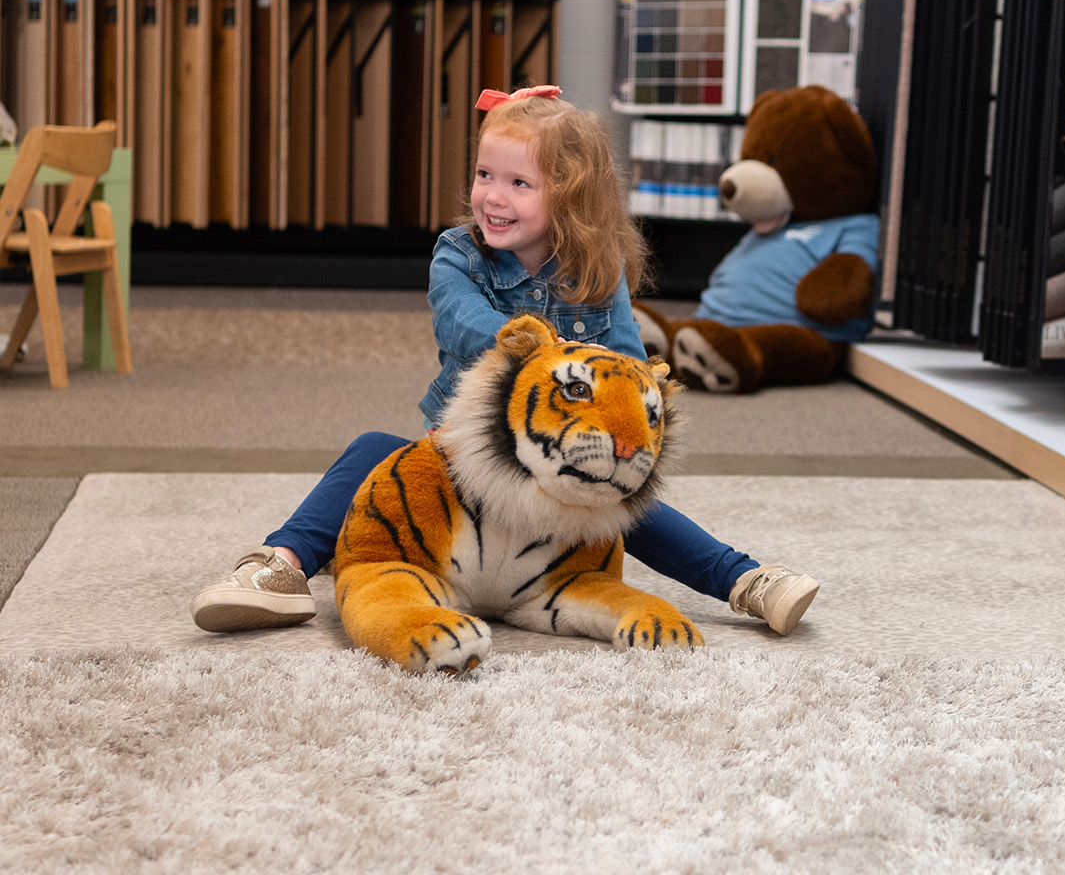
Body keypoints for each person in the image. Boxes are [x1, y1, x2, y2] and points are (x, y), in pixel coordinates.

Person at [189, 86, 818, 637]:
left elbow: (627, 359)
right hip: (466, 465)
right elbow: (460, 324)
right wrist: (540, 354)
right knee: (372, 452)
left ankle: (746, 581)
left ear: (569, 197)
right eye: (485, 175)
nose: (493, 196)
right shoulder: (458, 255)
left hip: (561, 471)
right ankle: (281, 566)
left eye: (519, 183)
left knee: (633, 506)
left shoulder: (599, 273)